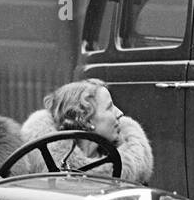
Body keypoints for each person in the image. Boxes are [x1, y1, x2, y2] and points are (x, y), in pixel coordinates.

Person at [16, 79, 153, 184]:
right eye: (109, 107)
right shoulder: (38, 173)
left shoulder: (134, 166)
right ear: (85, 120)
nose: (120, 113)